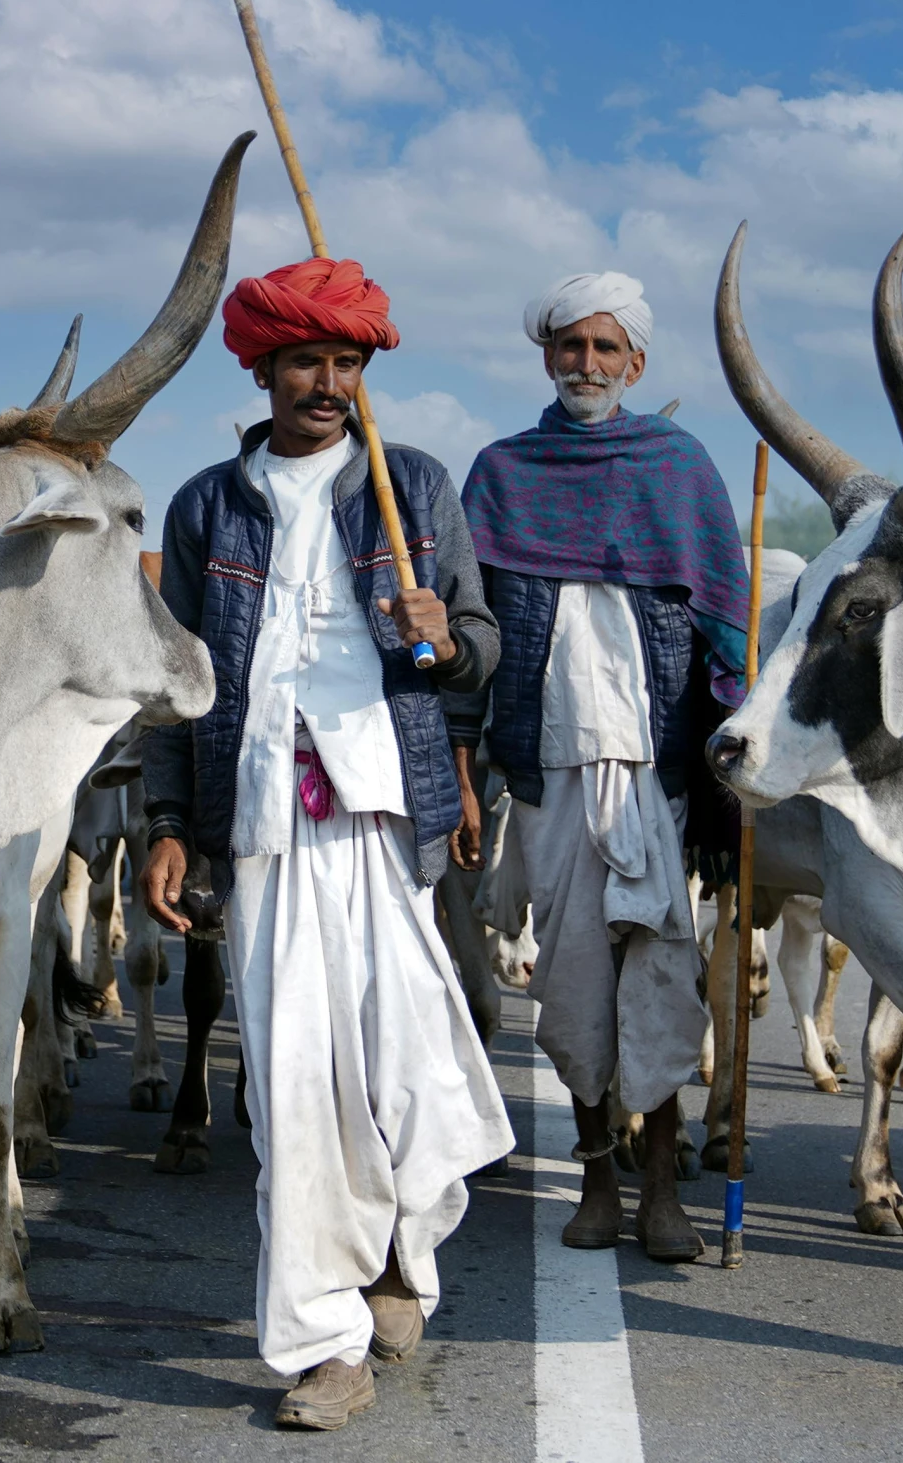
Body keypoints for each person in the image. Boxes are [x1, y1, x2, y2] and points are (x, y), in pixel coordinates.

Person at [139, 256, 513, 1432]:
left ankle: (404, 1248)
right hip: (259, 830)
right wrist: (164, 826)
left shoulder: (412, 486)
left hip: (384, 821)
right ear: (262, 367)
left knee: (416, 1071)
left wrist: (439, 635)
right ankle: (326, 1340)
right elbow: (180, 678)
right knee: (298, 1089)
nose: (329, 382)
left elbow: (481, 648)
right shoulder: (209, 504)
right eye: (307, 359)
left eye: (347, 363)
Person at [454, 272, 749, 1263]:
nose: (586, 364)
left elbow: (723, 619)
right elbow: (474, 633)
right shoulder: (502, 473)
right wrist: (461, 761)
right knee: (575, 977)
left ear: (636, 363)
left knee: (661, 972)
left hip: (659, 769)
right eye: (570, 346)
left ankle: (664, 1188)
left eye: (604, 348)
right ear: (548, 356)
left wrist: (735, 705)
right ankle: (595, 1176)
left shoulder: (678, 469)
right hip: (547, 769)